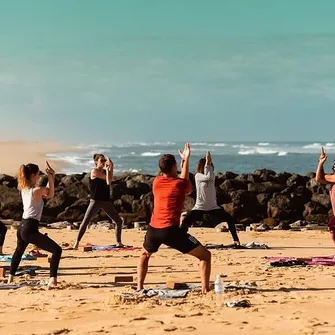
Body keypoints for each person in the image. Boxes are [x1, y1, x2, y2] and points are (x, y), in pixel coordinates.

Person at [137, 143, 211, 294]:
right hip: (170, 230)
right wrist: (186, 161)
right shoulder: (179, 184)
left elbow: (180, 181)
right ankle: (205, 289)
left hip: (153, 229)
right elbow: (187, 187)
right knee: (205, 256)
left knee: (144, 254)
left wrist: (183, 162)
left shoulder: (156, 182)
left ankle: (139, 287)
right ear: (172, 168)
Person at [8, 162, 62, 287]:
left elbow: (47, 191)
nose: (39, 177)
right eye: (38, 174)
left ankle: (10, 278)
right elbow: (51, 194)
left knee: (19, 251)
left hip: (22, 225)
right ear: (33, 175)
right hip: (30, 228)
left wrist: (51, 177)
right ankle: (52, 280)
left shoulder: (24, 189)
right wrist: (50, 176)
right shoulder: (36, 190)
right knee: (57, 250)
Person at [180, 151, 240, 245]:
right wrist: (207, 162)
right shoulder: (198, 176)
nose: (211, 167)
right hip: (199, 207)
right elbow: (207, 177)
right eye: (209, 165)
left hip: (213, 207)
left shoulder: (212, 175)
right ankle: (180, 241)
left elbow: (209, 176)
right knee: (185, 222)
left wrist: (208, 164)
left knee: (229, 219)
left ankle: (236, 240)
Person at [72, 154, 124, 249]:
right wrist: (109, 170)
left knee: (118, 221)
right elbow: (107, 180)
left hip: (105, 201)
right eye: (101, 161)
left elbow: (110, 181)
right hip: (95, 201)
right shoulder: (94, 171)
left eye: (104, 161)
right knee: (86, 221)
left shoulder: (105, 171)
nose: (103, 162)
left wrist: (111, 167)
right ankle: (76, 243)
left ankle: (118, 242)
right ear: (96, 162)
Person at [315, 147, 335, 245]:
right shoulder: (333, 179)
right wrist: (320, 163)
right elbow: (319, 179)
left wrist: (321, 163)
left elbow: (320, 177)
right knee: (333, 233)